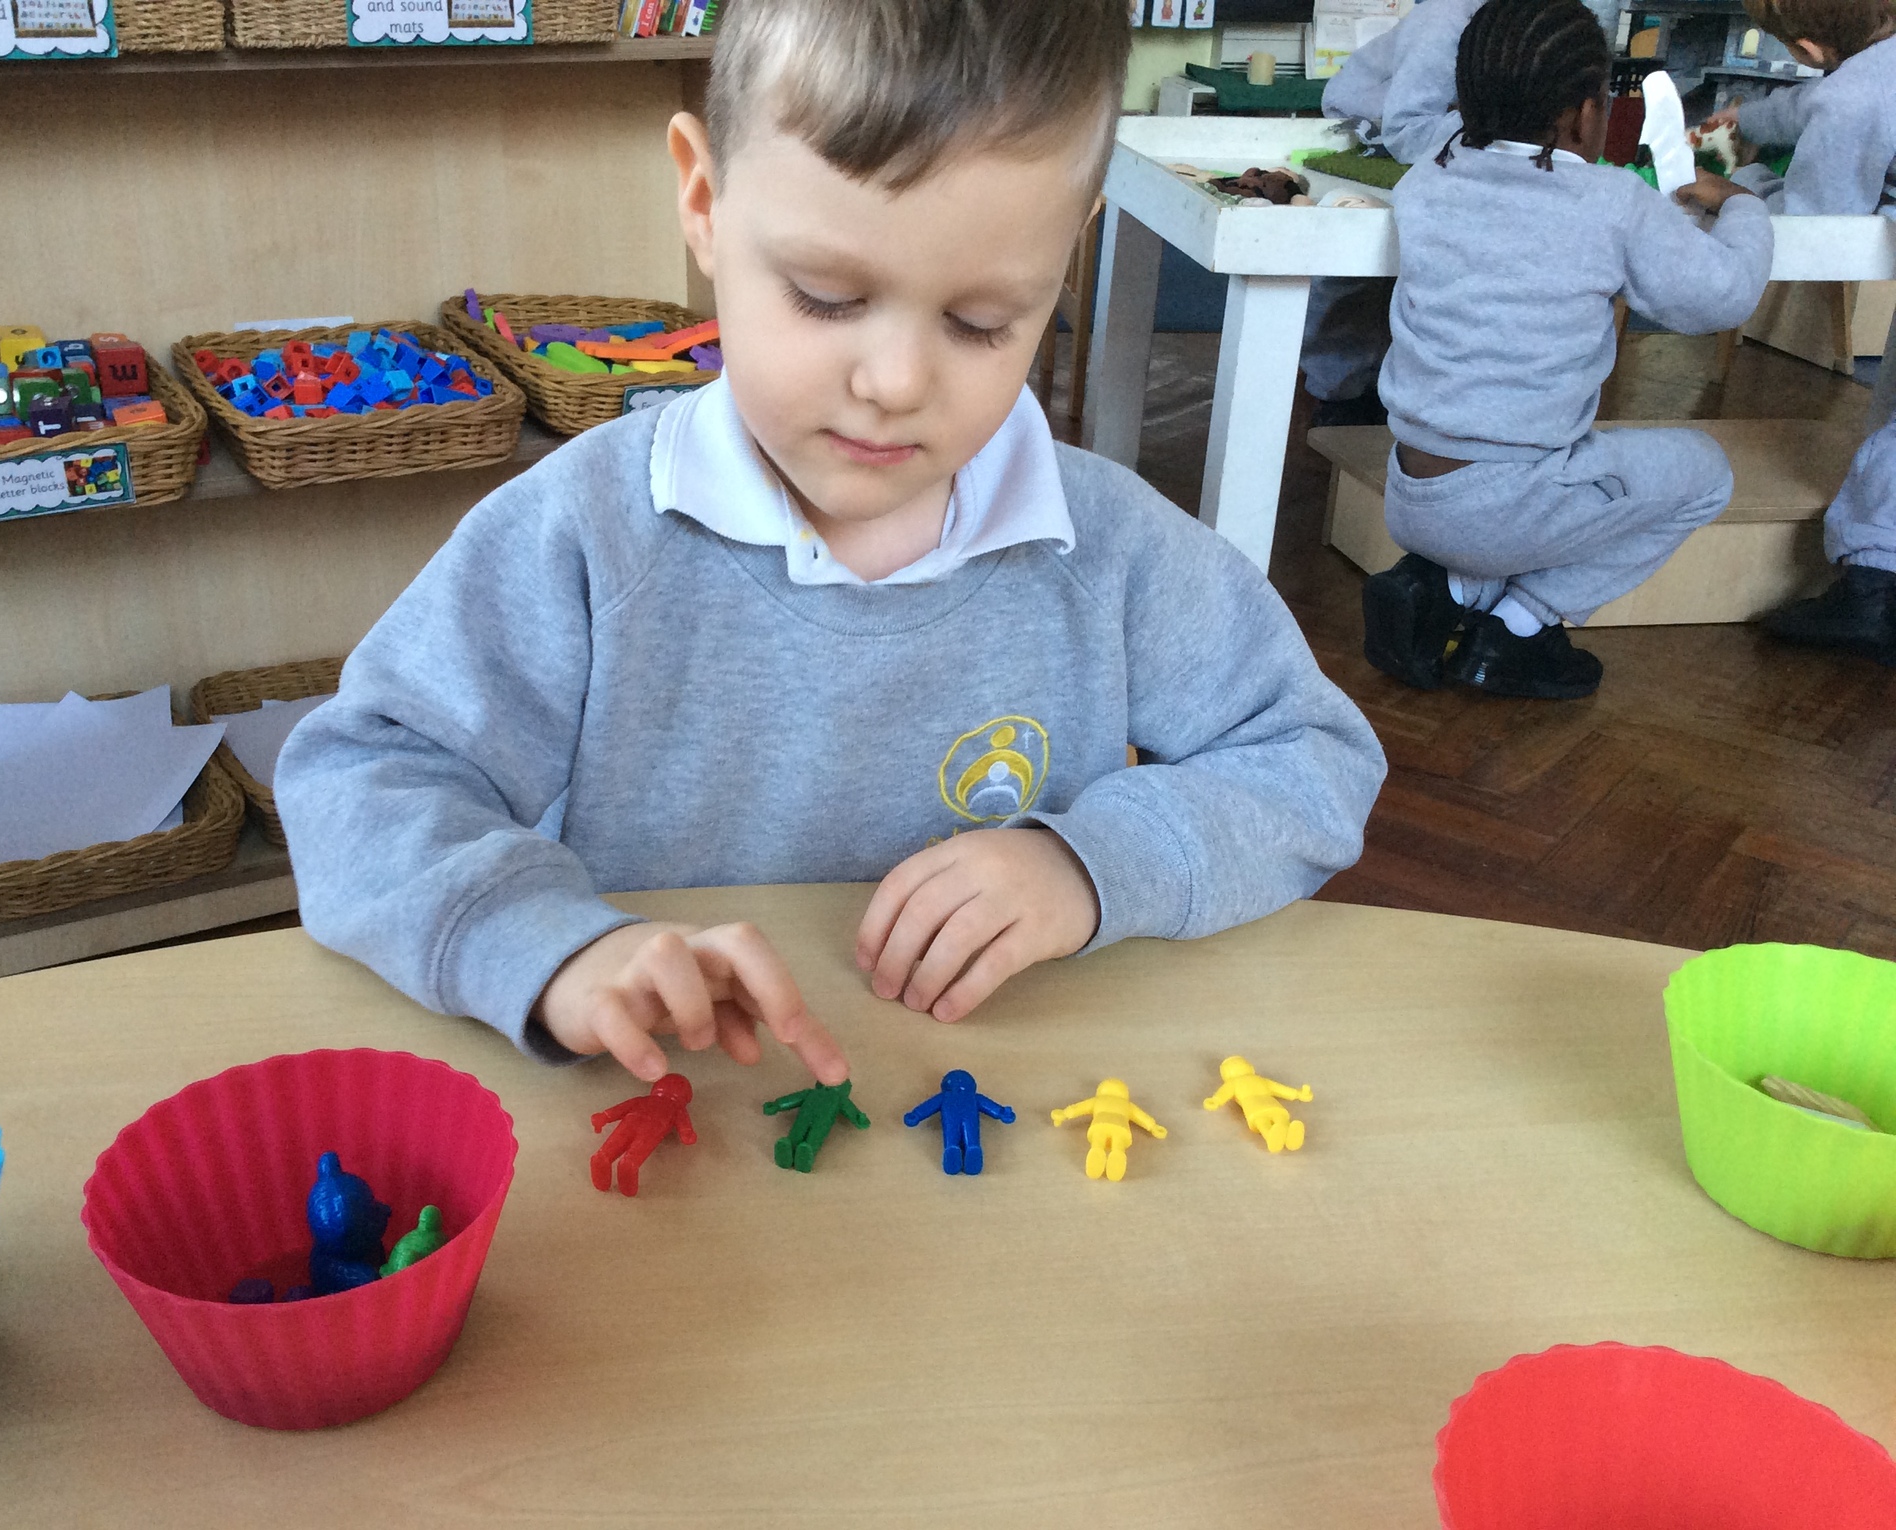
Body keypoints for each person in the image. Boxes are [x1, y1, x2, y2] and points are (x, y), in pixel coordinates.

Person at [276, 0, 1385, 1085]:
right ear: (704, 200)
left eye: (981, 322)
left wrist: (1091, 866)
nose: (895, 383)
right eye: (824, 297)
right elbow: (362, 782)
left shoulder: (1110, 548)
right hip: (687, 1112)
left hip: (1003, 1115)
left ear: (1066, 254)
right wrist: (551, 948)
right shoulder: (582, 533)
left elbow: (1314, 759)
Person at [1362, 0, 1772, 698]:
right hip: (1509, 504)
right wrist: (1742, 206)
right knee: (1705, 473)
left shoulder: (1428, 177)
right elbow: (1722, 297)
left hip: (1409, 489)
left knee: (1564, 469)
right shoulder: (1610, 201)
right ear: (1587, 115)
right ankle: (1519, 627)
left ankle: (1452, 587)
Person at [1708, 0, 1896, 663]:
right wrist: (1744, 117)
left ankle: (1870, 593)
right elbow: (1808, 107)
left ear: (1808, 50)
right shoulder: (1877, 64)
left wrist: (1738, 193)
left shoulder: (1851, 97)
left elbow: (1818, 226)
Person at [1305, 0, 1490, 426]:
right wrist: (1502, 125)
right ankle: (1338, 395)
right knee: (1358, 264)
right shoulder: (1445, 19)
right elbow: (1406, 128)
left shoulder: (1537, 22)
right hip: (1369, 132)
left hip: (1452, 136)